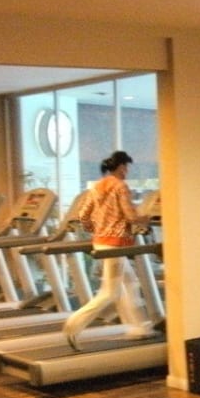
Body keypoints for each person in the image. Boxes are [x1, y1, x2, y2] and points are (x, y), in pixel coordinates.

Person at [63, 150, 154, 351]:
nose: (127, 171)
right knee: (110, 292)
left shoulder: (97, 186)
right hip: (115, 243)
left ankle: (140, 328)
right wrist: (146, 219)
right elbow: (130, 216)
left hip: (101, 241)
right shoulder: (120, 186)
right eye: (126, 167)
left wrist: (97, 230)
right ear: (120, 167)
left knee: (129, 283)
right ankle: (74, 323)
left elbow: (83, 215)